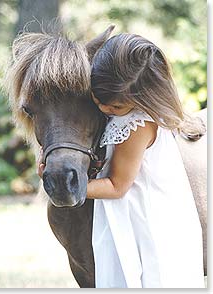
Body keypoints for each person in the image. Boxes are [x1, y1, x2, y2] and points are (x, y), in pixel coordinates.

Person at [37, 33, 205, 288]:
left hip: (142, 222)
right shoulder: (117, 105)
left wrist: (71, 187)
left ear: (141, 99)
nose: (104, 109)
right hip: (124, 214)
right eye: (96, 99)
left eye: (115, 107)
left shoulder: (137, 126)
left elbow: (117, 186)